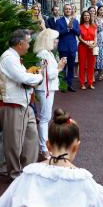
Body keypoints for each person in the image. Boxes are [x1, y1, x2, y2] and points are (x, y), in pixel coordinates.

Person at [0, 29, 43, 179]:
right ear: (19, 44)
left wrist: (32, 77)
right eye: (28, 43)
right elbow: (24, 78)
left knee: (31, 137)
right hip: (11, 103)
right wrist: (39, 77)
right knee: (14, 142)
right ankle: (15, 174)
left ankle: (27, 171)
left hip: (22, 103)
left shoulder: (14, 57)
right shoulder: (9, 58)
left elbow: (25, 78)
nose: (29, 46)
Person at [34, 29, 67, 161]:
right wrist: (59, 67)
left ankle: (45, 145)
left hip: (47, 88)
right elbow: (47, 74)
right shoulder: (44, 54)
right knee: (44, 118)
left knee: (45, 117)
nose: (57, 41)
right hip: (44, 88)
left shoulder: (47, 53)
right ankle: (44, 147)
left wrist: (59, 67)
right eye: (55, 39)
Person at [56, 4, 80, 92]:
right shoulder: (59, 21)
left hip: (72, 47)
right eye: (66, 9)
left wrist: (72, 28)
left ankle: (69, 84)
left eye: (69, 9)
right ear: (63, 10)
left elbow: (78, 33)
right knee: (62, 67)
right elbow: (57, 33)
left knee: (71, 67)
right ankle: (63, 85)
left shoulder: (75, 21)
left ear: (71, 10)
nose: (68, 10)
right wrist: (67, 29)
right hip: (63, 47)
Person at [78, 10, 97, 90]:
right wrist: (87, 43)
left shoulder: (94, 26)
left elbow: (95, 36)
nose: (87, 17)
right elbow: (79, 37)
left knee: (91, 65)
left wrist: (94, 44)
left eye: (88, 15)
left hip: (92, 47)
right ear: (83, 17)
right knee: (82, 65)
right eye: (85, 15)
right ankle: (82, 83)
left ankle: (90, 83)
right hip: (82, 46)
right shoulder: (79, 26)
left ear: (90, 17)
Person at [95, 5, 103, 80]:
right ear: (98, 10)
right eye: (100, 10)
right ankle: (95, 71)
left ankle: (101, 73)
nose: (102, 11)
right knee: (96, 55)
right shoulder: (95, 19)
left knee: (102, 55)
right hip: (97, 36)